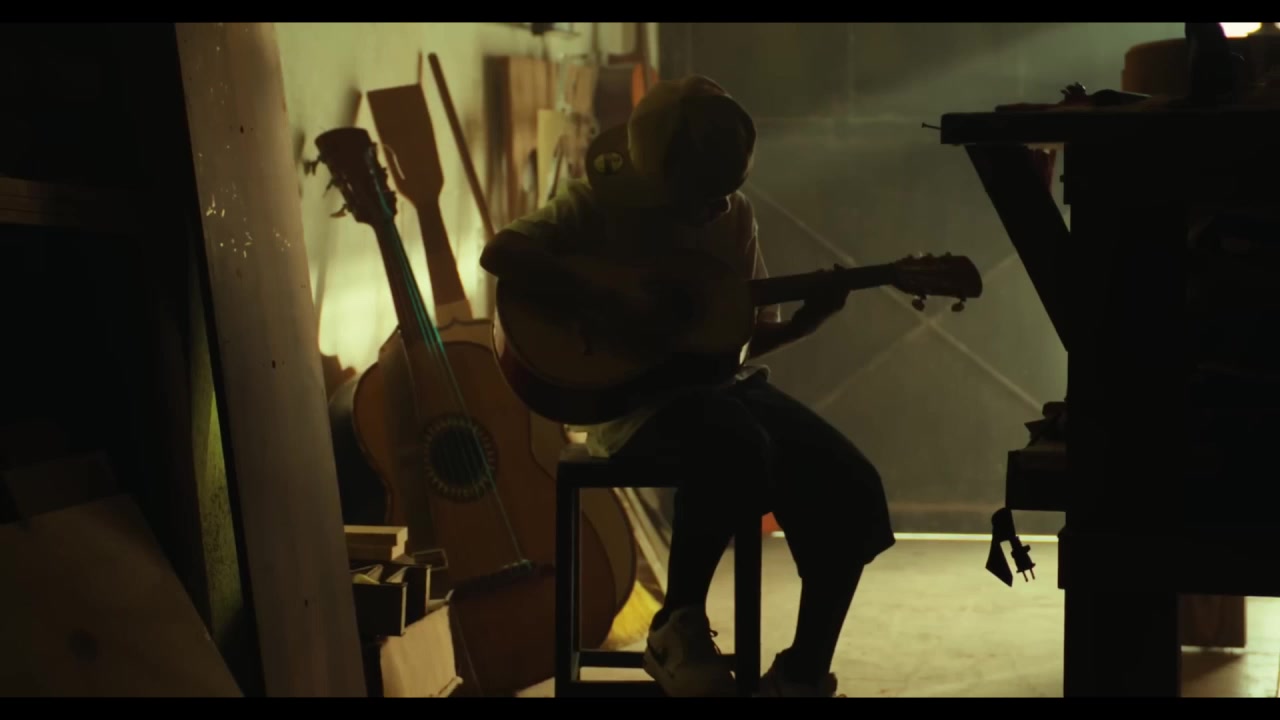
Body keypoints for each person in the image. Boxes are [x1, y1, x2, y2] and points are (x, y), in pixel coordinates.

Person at [479, 75, 895, 698]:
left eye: (726, 192)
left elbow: (737, 343)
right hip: (633, 408)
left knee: (853, 483)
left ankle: (801, 675)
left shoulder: (735, 216)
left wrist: (802, 326)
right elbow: (504, 253)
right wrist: (611, 305)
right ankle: (677, 625)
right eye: (702, 196)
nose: (718, 209)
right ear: (657, 178)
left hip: (724, 391)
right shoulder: (596, 206)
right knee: (736, 442)